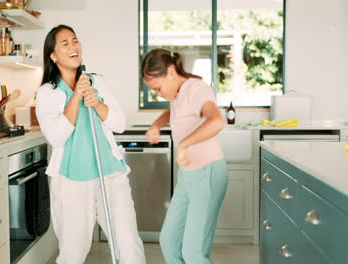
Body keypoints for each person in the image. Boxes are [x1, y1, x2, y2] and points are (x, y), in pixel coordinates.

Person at [35, 24, 145, 264]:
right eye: (65, 44)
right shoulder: (47, 93)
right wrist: (76, 96)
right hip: (71, 180)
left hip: (111, 174)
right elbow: (56, 137)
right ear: (53, 56)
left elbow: (119, 124)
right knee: (73, 252)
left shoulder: (98, 81)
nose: (74, 47)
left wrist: (97, 103)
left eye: (75, 41)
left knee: (128, 246)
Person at [141, 48, 228, 264]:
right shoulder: (177, 93)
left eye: (158, 88)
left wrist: (184, 145)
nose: (158, 94)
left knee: (193, 253)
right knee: (169, 242)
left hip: (207, 173)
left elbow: (216, 121)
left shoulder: (196, 89)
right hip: (187, 177)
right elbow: (173, 112)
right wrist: (156, 125)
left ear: (171, 71)